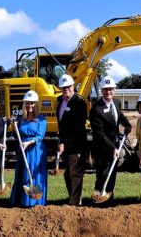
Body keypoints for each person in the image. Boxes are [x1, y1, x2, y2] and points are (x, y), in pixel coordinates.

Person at [90, 76, 131, 203]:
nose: (109, 92)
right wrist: (112, 148)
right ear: (101, 91)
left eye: (111, 89)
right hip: (103, 148)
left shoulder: (117, 102)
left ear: (114, 90)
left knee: (112, 175)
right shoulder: (96, 109)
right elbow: (99, 134)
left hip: (115, 146)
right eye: (106, 89)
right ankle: (98, 202)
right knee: (103, 175)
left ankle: (109, 203)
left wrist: (127, 124)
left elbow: (120, 116)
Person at [11, 90, 47, 207]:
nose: (29, 106)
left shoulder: (41, 119)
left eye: (32, 103)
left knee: (33, 173)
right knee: (23, 173)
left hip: (35, 150)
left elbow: (40, 136)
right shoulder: (21, 119)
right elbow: (17, 135)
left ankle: (35, 201)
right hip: (23, 150)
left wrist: (29, 143)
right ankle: (23, 201)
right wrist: (13, 126)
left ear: (36, 104)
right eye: (27, 103)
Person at [56, 74, 87, 206]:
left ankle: (75, 203)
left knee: (76, 174)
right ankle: (72, 199)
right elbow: (61, 127)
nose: (66, 89)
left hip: (76, 144)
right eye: (63, 88)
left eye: (68, 87)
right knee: (67, 174)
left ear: (73, 86)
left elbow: (78, 126)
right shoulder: (60, 104)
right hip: (65, 145)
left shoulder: (79, 102)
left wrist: (65, 142)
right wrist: (61, 142)